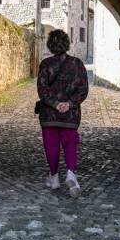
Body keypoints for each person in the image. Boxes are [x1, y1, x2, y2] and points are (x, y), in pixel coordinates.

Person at [36, 29, 89, 197]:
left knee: (51, 145)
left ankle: (54, 178)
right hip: (70, 116)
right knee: (70, 143)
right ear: (67, 44)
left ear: (50, 46)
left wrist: (55, 104)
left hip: (49, 115)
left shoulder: (46, 65)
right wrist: (69, 104)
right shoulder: (78, 64)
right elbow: (83, 89)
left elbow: (42, 90)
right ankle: (71, 174)